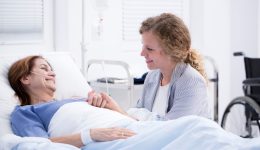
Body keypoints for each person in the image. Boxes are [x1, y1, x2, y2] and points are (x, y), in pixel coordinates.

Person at [7, 55, 260, 150]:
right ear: (25, 78)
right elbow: (39, 144)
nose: (52, 73)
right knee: (197, 129)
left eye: (52, 68)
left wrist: (106, 105)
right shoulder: (26, 112)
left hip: (129, 127)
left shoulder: (77, 99)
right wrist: (90, 134)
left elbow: (126, 120)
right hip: (106, 140)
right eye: (43, 69)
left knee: (197, 127)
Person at [89, 13, 210, 121]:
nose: (142, 53)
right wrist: (110, 108)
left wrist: (120, 112)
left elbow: (172, 131)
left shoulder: (191, 82)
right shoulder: (152, 77)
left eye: (150, 49)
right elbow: (136, 115)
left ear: (172, 51)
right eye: (143, 46)